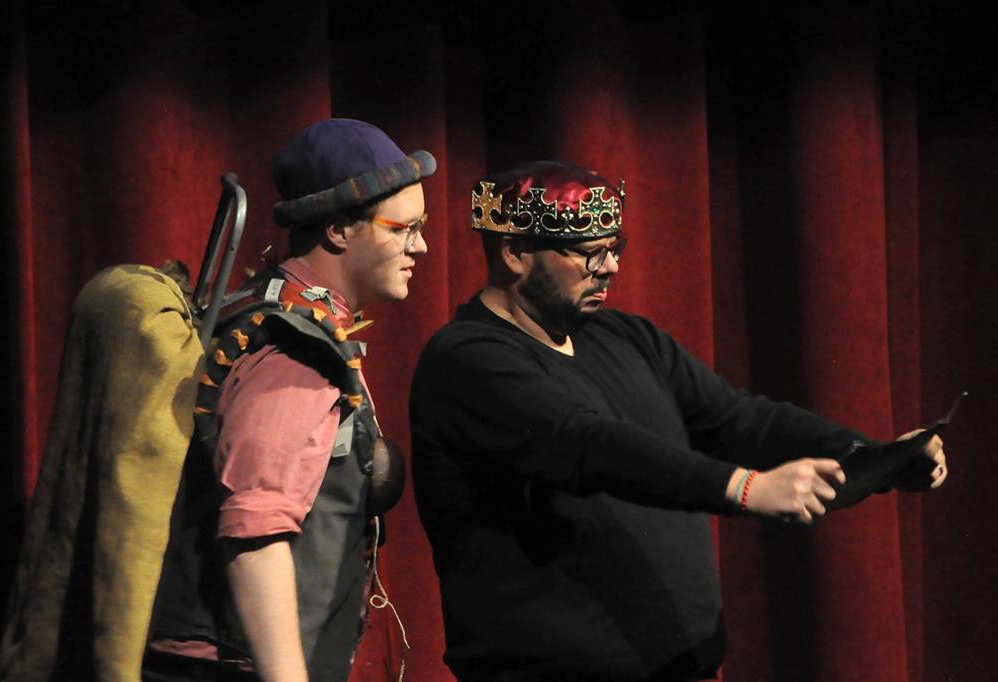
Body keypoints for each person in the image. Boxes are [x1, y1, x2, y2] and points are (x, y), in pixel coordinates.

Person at [409, 160, 947, 682]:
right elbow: (587, 443)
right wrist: (742, 487)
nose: (611, 268)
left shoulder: (625, 337)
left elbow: (737, 418)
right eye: (590, 254)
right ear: (516, 252)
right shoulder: (468, 360)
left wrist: (876, 455)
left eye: (614, 250)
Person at [146, 119, 434, 682]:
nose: (420, 245)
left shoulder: (283, 311)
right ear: (339, 231)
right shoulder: (293, 351)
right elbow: (256, 532)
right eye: (405, 228)